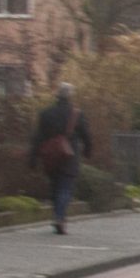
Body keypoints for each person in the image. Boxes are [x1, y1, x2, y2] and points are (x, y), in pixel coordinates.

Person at [27, 83, 94, 235]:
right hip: (69, 157)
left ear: (57, 96)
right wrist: (88, 150)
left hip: (51, 156)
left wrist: (33, 157)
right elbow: (86, 136)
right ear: (70, 96)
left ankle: (57, 215)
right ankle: (60, 217)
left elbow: (38, 137)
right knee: (66, 187)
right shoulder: (76, 114)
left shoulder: (46, 114)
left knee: (55, 186)